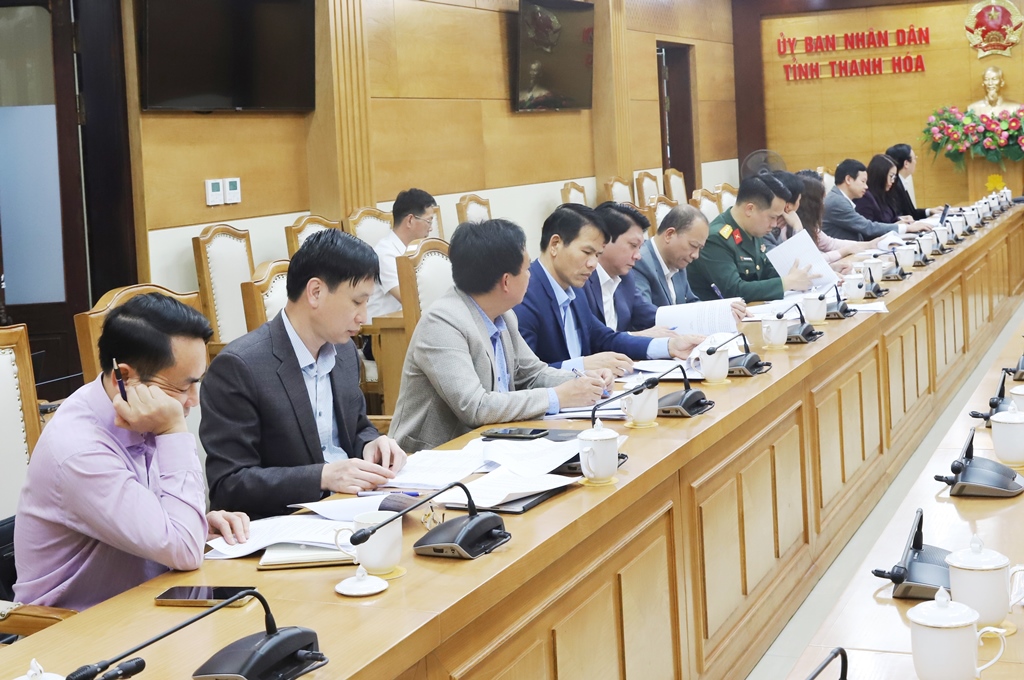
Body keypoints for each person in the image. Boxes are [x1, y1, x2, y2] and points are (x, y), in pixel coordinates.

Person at [14, 294, 249, 611]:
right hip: (76, 629)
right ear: (123, 377)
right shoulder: (78, 451)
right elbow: (184, 550)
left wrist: (199, 526)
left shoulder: (141, 416)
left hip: (145, 604)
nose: (194, 400)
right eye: (183, 387)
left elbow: (176, 538)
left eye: (198, 383)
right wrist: (173, 432)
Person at [202, 229, 407, 520]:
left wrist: (372, 444)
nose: (364, 317)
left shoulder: (345, 352)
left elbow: (357, 427)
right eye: (357, 302)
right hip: (289, 521)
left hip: (353, 507)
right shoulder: (238, 367)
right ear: (315, 292)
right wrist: (322, 477)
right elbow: (229, 484)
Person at [389, 219, 609, 452]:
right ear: (506, 281)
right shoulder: (442, 323)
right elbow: (475, 407)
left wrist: (582, 380)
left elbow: (532, 374)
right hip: (435, 455)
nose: (530, 276)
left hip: (493, 443)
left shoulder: (504, 315)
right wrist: (556, 396)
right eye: (527, 269)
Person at [514, 204, 703, 375]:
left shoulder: (574, 290)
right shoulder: (525, 295)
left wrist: (670, 346)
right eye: (587, 252)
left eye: (597, 255)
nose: (593, 264)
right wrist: (581, 366)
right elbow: (522, 376)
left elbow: (605, 338)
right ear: (555, 244)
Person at [686, 173, 814, 302]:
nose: (775, 224)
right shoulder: (716, 239)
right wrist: (786, 283)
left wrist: (796, 276)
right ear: (750, 209)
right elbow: (734, 290)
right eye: (772, 217)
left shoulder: (753, 230)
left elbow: (767, 270)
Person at [633, 204, 747, 320]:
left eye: (700, 249)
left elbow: (691, 302)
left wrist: (723, 310)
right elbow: (645, 316)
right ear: (669, 234)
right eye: (693, 245)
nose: (695, 255)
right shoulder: (640, 262)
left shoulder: (678, 262)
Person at [581, 202, 662, 334]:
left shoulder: (626, 277)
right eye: (633, 245)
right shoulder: (581, 279)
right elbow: (593, 338)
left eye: (639, 248)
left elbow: (649, 315)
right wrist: (637, 336)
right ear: (604, 240)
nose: (638, 256)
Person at [367, 188, 437, 320]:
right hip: (383, 329)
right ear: (410, 220)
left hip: (408, 322)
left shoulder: (416, 251)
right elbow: (409, 300)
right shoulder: (385, 253)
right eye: (428, 221)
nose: (431, 228)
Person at [821, 159, 931, 242]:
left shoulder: (840, 198)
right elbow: (867, 227)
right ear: (848, 179)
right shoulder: (837, 201)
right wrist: (907, 228)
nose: (866, 187)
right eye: (863, 181)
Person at [795, 170, 877, 263]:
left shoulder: (809, 223)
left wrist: (869, 245)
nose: (823, 203)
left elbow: (829, 244)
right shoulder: (791, 224)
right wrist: (844, 251)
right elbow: (809, 261)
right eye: (821, 199)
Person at [886, 143, 943, 220]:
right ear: (906, 163)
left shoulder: (900, 181)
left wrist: (929, 211)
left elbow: (911, 213)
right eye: (914, 159)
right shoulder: (893, 185)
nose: (915, 162)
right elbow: (901, 216)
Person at [853, 154, 902, 223]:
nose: (893, 181)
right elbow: (867, 227)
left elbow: (890, 219)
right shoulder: (865, 197)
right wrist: (897, 226)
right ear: (880, 175)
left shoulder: (885, 194)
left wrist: (900, 219)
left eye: (894, 177)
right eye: (891, 176)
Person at [763, 171, 806, 249]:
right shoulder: (763, 229)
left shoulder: (780, 226)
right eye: (799, 200)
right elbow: (801, 254)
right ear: (787, 207)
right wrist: (797, 226)